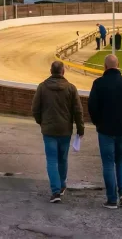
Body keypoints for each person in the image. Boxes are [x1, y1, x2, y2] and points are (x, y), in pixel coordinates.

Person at [88, 54, 122, 209]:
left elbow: (92, 107)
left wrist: (98, 122)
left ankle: (112, 199)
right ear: (118, 65)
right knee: (121, 160)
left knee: (109, 163)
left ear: (105, 67)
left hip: (105, 129)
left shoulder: (98, 83)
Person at [32, 61, 85, 204]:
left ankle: (56, 190)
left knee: (51, 160)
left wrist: (41, 122)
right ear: (63, 72)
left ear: (51, 71)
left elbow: (35, 109)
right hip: (64, 130)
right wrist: (80, 129)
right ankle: (61, 185)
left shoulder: (42, 87)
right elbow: (78, 111)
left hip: (49, 130)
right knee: (62, 158)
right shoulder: (71, 89)